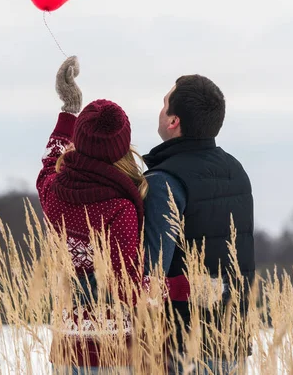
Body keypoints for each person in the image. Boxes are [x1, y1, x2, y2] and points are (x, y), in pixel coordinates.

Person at [37, 57, 189, 375]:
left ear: (80, 142)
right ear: (121, 148)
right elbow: (127, 287)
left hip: (67, 347)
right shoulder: (119, 208)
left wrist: (68, 109)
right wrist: (179, 287)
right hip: (112, 350)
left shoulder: (54, 192)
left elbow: (49, 162)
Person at [142, 75, 255, 374]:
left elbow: (150, 275)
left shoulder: (163, 181)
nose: (161, 108)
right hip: (232, 343)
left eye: (165, 103)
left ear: (173, 121)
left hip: (182, 349)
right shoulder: (236, 171)